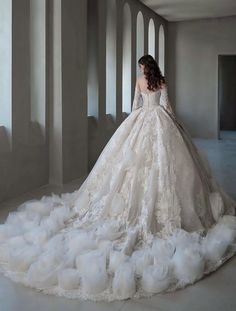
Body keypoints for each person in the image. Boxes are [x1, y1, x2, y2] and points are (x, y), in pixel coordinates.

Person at [0, 54, 236, 302]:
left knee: (129, 168)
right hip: (160, 123)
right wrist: (176, 126)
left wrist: (135, 122)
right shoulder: (162, 82)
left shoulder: (138, 81)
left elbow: (135, 106)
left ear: (143, 67)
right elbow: (167, 108)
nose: (141, 69)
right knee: (168, 167)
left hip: (141, 121)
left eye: (141, 66)